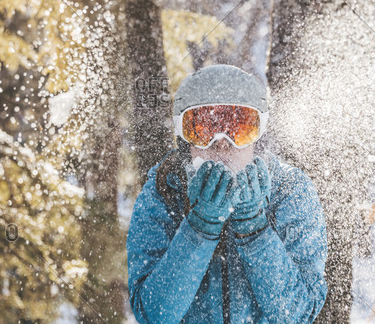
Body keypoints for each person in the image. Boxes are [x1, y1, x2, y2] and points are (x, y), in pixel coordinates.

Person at [126, 64, 328, 324]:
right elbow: (154, 314)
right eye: (204, 128)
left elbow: (297, 314)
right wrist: (199, 228)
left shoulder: (290, 190)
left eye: (239, 127)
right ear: (185, 140)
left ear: (259, 137)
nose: (222, 143)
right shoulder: (163, 189)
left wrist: (255, 229)